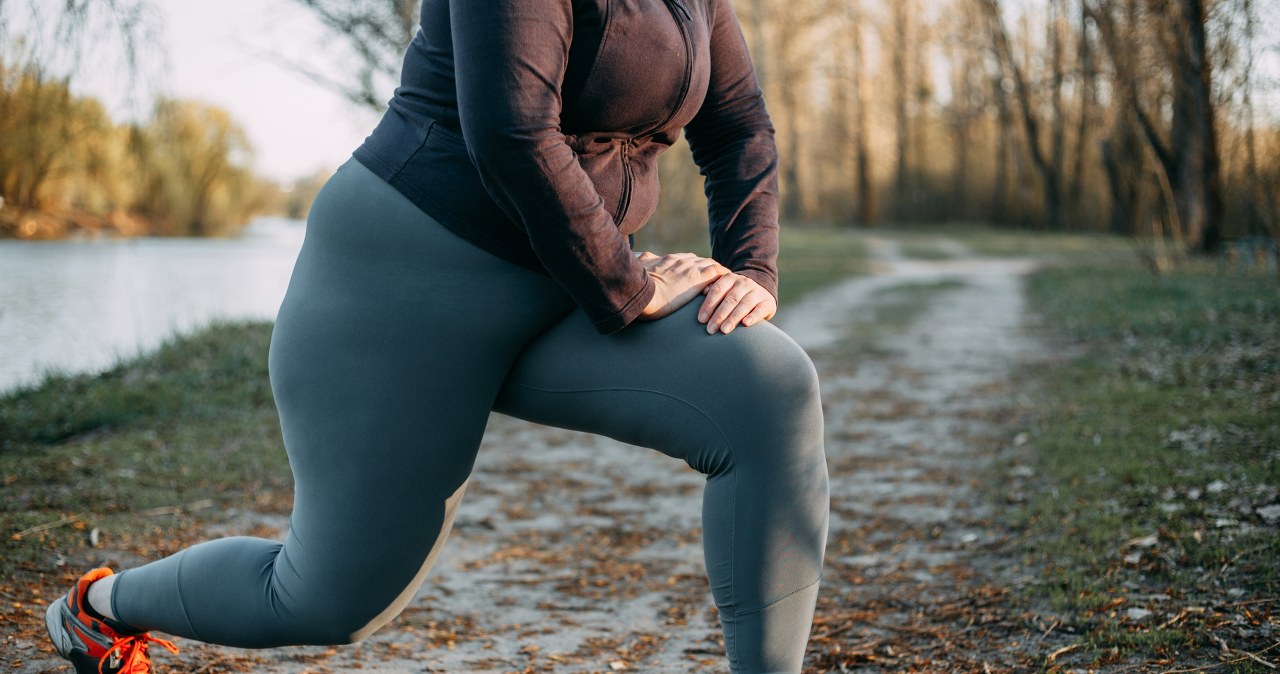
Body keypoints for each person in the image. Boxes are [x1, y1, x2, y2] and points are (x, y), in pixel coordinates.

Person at [44, 0, 830, 672]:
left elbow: (739, 127)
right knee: (328, 601)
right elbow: (513, 131)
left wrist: (750, 272)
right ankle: (100, 609)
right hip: (404, 282)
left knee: (766, 391)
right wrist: (630, 286)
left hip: (569, 285)